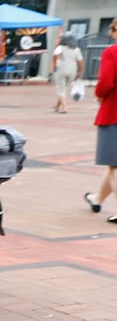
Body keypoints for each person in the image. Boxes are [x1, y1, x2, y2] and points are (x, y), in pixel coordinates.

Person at [84, 20, 117, 218]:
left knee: (114, 164)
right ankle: (97, 199)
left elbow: (105, 83)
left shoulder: (111, 52)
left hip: (113, 112)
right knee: (113, 162)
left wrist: (99, 96)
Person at [51, 32, 84, 114]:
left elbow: (55, 55)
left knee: (60, 89)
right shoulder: (76, 49)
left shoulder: (61, 47)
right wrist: (80, 71)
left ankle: (65, 108)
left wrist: (54, 65)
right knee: (64, 89)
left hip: (61, 69)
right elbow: (80, 61)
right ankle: (57, 106)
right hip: (73, 70)